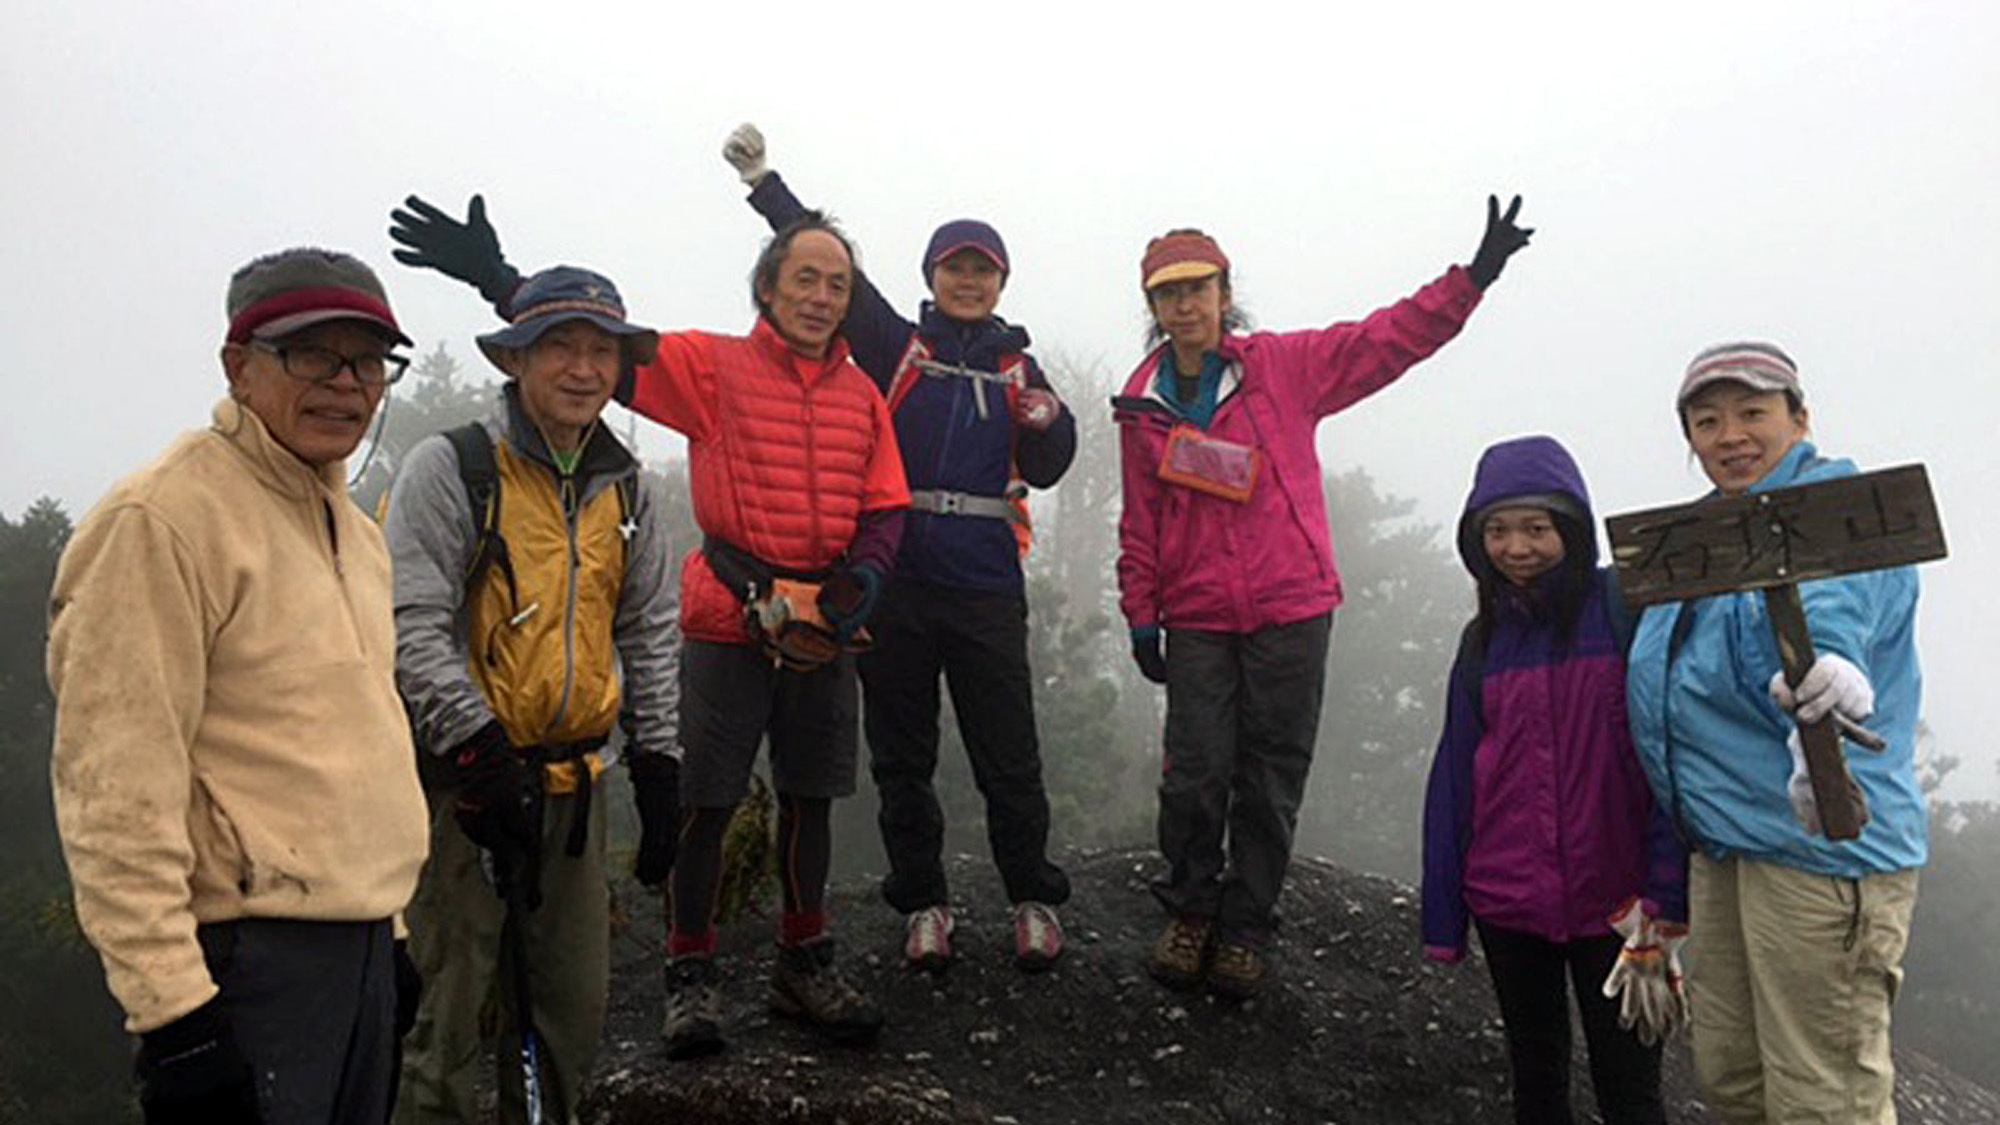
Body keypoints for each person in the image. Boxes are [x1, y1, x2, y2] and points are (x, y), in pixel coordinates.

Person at [388, 195, 908, 1060]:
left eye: (838, 284)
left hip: (825, 619)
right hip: (726, 611)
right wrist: (496, 279)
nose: (821, 296)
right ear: (767, 290)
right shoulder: (713, 364)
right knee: (704, 799)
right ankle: (690, 975)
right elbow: (591, 359)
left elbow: (886, 502)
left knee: (811, 795)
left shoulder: (862, 394)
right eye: (804, 278)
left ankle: (804, 958)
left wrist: (867, 576)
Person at [46, 247, 431, 1124]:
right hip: (246, 959)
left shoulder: (353, 529)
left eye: (369, 360)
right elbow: (112, 791)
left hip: (361, 951)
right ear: (239, 366)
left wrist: (393, 936)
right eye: (312, 354)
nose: (347, 384)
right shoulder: (163, 521)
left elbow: (353, 743)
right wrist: (173, 1012)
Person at [1115, 199, 1531, 1000]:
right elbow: (1142, 521)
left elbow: (1386, 340)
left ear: (1224, 292)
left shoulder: (1283, 368)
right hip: (1198, 612)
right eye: (1169, 294)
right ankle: (1191, 908)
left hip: (1292, 605)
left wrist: (1472, 277)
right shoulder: (1141, 407)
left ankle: (1247, 925)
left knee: (1270, 776)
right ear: (1153, 308)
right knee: (1195, 774)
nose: (1186, 306)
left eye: (1199, 288)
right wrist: (1141, 611)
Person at [722, 123, 1076, 972]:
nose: (966, 278)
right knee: (902, 755)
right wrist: (765, 182)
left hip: (987, 584)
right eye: (953, 266)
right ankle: (923, 902)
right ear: (932, 278)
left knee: (1009, 751)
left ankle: (1031, 896)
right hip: (898, 583)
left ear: (999, 283)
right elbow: (824, 257)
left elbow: (1053, 468)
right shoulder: (895, 343)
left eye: (980, 268)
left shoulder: (1022, 368)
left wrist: (1052, 422)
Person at [383, 266, 682, 1124]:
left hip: (575, 790)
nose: (584, 369)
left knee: (568, 1019)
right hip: (460, 791)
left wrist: (659, 759)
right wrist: (479, 751)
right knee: (442, 1020)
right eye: (561, 347)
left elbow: (649, 627)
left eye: (602, 351)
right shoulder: (455, 468)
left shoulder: (626, 487)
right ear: (516, 360)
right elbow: (409, 621)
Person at [1625, 342, 1926, 1125]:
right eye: (1707, 419)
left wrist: (1835, 671)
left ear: (1800, 417)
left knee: (1822, 1095)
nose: (1730, 435)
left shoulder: (1839, 510)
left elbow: (1835, 602)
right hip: (1727, 844)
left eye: (1752, 412)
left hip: (1822, 847)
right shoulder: (1702, 540)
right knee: (1734, 1079)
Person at [1420, 435, 1685, 1125]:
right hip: (1508, 901)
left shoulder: (1622, 610)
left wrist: (1667, 888)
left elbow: (1666, 755)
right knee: (1536, 1079)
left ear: (1571, 527)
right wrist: (1444, 917)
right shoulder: (1482, 641)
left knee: (1631, 1089)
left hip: (1619, 902)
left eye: (1537, 528)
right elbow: (1454, 779)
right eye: (1499, 531)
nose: (1518, 548)